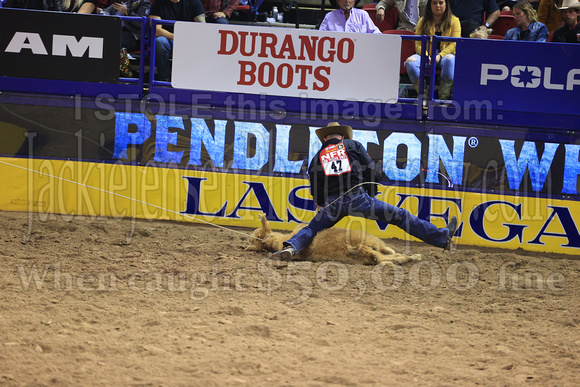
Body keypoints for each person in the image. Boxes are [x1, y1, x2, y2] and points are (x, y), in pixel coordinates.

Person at [270, 122, 458, 260]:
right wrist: (371, 193)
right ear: (342, 136)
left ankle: (290, 248)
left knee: (312, 229)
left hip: (333, 204)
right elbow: (370, 169)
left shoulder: (317, 157)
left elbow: (316, 186)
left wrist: (321, 203)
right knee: (400, 216)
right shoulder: (353, 146)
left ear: (325, 138)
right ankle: (442, 238)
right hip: (358, 199)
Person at [404, 0, 460, 100]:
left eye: (441, 3)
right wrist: (426, 56)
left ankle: (444, 95)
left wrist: (439, 56)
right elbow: (418, 44)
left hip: (444, 57)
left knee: (450, 60)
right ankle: (423, 93)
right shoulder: (422, 20)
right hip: (426, 56)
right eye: (434, 3)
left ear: (446, 4)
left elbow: (454, 44)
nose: (437, 6)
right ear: (430, 5)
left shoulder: (455, 21)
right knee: (410, 62)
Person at [149, 0, 206, 81]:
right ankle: (163, 79)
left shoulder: (194, 2)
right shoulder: (158, 2)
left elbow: (202, 27)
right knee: (160, 42)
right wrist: (175, 36)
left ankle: (187, 80)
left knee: (196, 43)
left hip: (188, 38)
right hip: (167, 37)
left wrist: (187, 38)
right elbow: (157, 30)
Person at [103, 0, 152, 77]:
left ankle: (127, 74)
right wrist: (104, 15)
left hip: (133, 35)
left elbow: (142, 23)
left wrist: (127, 12)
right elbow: (106, 11)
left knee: (115, 42)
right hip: (116, 30)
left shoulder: (144, 3)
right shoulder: (123, 1)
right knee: (105, 39)